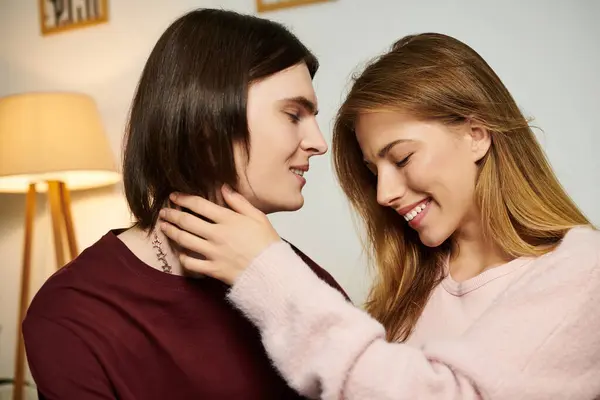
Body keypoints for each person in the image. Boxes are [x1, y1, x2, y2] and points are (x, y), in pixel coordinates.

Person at [159, 33, 600, 399]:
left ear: (477, 134)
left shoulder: (584, 270)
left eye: (403, 159)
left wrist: (268, 272)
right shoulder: (415, 286)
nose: (384, 194)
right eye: (373, 171)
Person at [22, 8, 347, 400]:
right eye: (294, 114)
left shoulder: (306, 287)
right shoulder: (75, 312)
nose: (318, 142)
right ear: (208, 122)